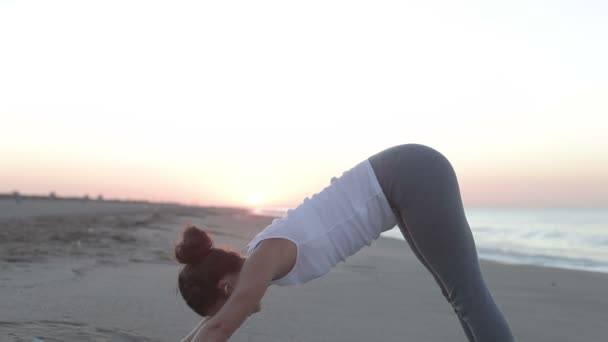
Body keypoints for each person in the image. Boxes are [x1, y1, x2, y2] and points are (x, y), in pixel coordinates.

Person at [175, 143, 515, 342]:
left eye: (223, 304)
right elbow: (212, 322)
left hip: (410, 176)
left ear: (225, 286)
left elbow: (220, 326)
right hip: (400, 187)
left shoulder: (262, 260)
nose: (237, 311)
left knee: (466, 293)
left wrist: (214, 324)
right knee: (459, 294)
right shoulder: (257, 261)